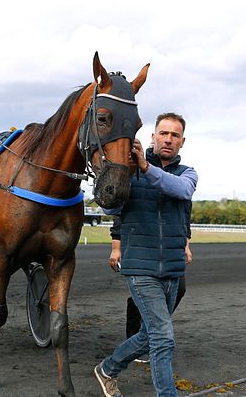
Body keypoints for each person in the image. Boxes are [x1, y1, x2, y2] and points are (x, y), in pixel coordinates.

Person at [95, 112, 198, 397]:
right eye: (163, 133)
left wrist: (145, 168)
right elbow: (110, 209)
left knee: (147, 335)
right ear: (153, 137)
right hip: (141, 269)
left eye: (174, 135)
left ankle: (107, 369)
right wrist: (117, 172)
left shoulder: (187, 174)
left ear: (182, 142)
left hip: (173, 270)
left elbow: (180, 191)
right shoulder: (131, 169)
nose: (168, 139)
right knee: (163, 338)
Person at [109, 215, 191, 364]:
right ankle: (136, 340)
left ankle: (149, 334)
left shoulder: (181, 192)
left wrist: (186, 245)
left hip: (170, 245)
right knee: (142, 294)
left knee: (180, 288)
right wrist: (116, 248)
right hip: (142, 241)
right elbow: (121, 213)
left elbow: (184, 215)